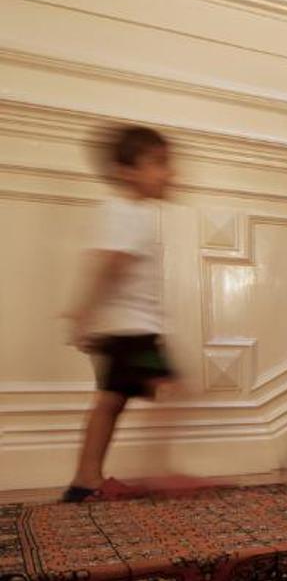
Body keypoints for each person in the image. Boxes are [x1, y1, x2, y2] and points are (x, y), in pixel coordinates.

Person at [62, 124, 177, 500]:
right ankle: (158, 473)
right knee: (171, 390)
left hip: (122, 327)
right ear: (126, 172)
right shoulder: (127, 212)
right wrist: (84, 313)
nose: (169, 173)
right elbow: (111, 263)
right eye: (158, 163)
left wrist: (87, 316)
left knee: (110, 400)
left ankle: (85, 480)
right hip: (132, 329)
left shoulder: (127, 212)